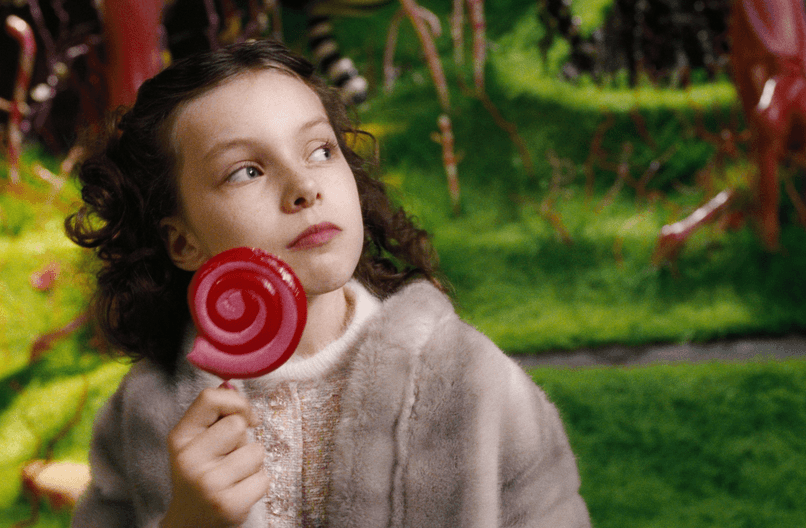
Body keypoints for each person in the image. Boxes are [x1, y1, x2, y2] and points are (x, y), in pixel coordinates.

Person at [66, 39, 591, 527]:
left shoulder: (475, 383)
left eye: (320, 150)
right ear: (182, 242)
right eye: (246, 171)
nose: (304, 187)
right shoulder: (145, 413)